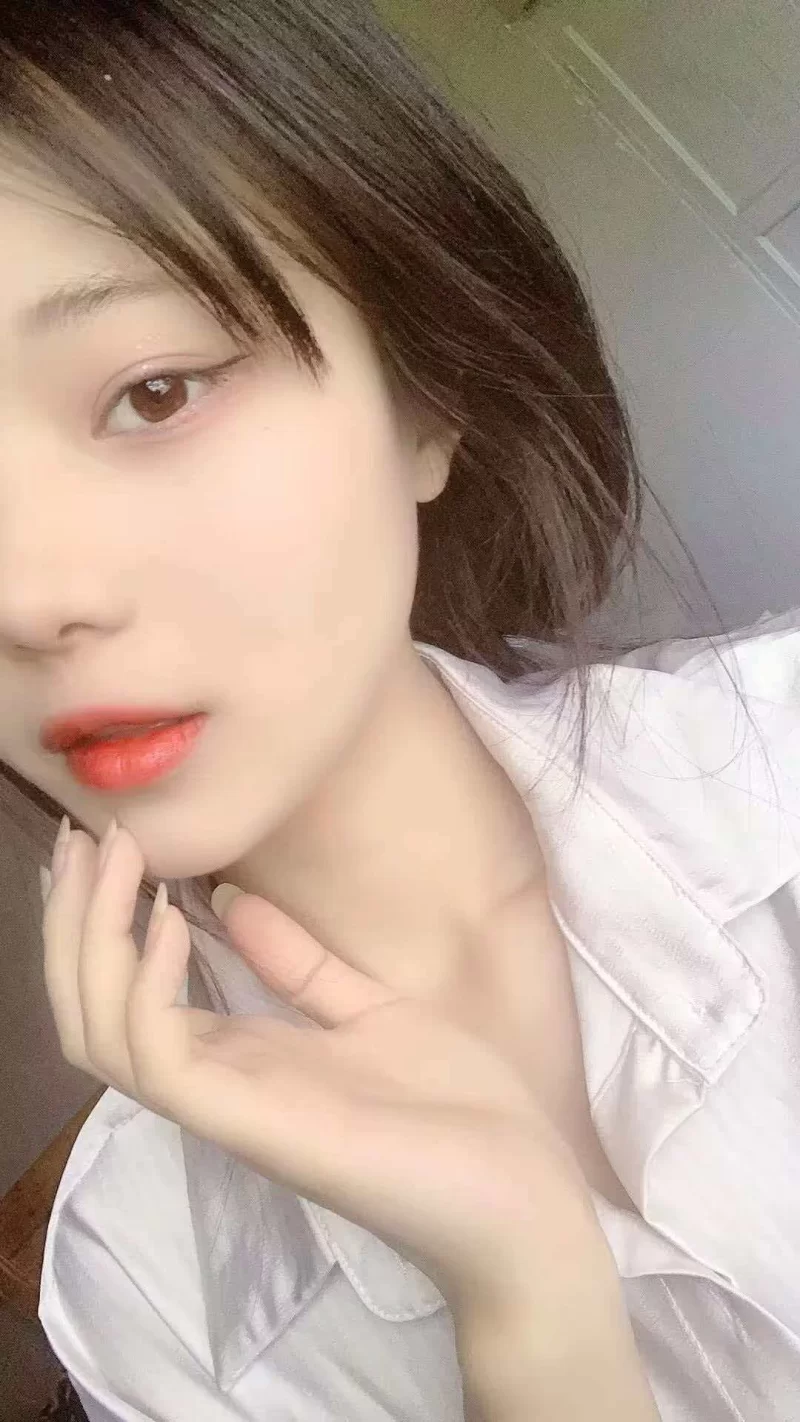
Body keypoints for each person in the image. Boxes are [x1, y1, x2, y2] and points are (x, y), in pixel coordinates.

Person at [0, 0, 797, 1417]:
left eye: (155, 392)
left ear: (425, 402)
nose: (25, 597)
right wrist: (529, 1318)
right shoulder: (138, 1284)